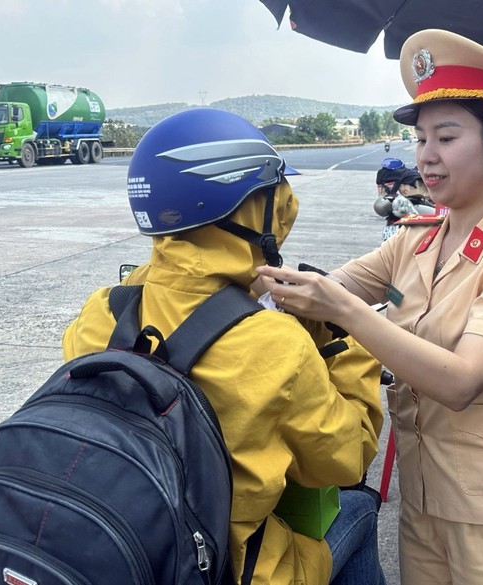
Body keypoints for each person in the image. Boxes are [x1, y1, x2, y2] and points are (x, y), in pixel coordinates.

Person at [258, 30, 483, 584]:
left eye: (446, 138)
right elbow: (328, 289)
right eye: (421, 139)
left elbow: (461, 380)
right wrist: (245, 278)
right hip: (423, 502)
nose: (426, 156)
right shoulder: (414, 239)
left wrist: (350, 313)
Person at [61, 108, 387, 585]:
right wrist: (341, 335)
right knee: (359, 505)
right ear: (248, 208)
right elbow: (346, 459)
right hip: (226, 569)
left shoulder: (103, 311)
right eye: (273, 195)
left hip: (128, 548)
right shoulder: (275, 342)